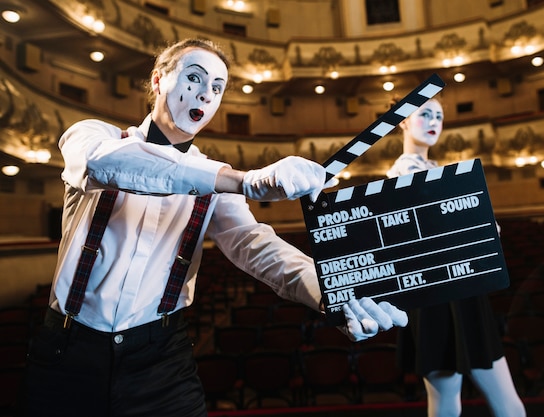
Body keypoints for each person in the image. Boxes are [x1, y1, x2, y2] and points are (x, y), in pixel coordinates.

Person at [20, 38, 408, 417]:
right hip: (66, 351)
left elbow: (256, 246)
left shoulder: (213, 183)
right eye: (195, 78)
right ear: (158, 80)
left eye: (218, 88)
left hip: (161, 359)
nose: (206, 94)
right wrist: (244, 179)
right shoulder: (95, 136)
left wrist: (329, 291)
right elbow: (103, 164)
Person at [388, 98, 525, 417]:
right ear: (404, 121)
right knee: (448, 402)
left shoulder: (438, 170)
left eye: (439, 115)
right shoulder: (402, 170)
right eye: (425, 114)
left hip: (465, 291)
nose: (434, 120)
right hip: (434, 295)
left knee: (505, 404)